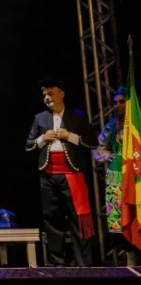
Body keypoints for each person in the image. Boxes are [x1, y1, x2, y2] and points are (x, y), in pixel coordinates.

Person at [26, 78, 97, 266]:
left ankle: (84, 263)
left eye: (50, 94)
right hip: (48, 176)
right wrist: (42, 138)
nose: (47, 98)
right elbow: (28, 146)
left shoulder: (78, 116)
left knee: (79, 219)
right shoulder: (40, 118)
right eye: (44, 96)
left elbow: (92, 142)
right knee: (52, 220)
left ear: (61, 93)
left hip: (72, 175)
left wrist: (70, 136)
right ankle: (57, 263)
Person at [94, 87, 129, 236]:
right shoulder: (111, 126)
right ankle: (129, 256)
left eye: (122, 101)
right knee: (119, 215)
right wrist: (108, 156)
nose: (118, 105)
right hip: (117, 173)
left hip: (135, 171)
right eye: (115, 103)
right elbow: (98, 147)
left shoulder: (138, 124)